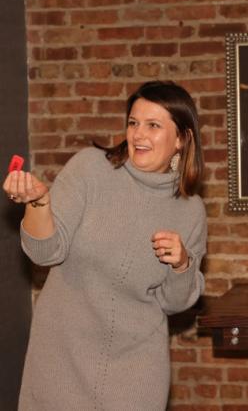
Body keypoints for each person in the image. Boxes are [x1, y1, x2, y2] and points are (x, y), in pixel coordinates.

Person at [3, 80, 207, 410]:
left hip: (137, 369)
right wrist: (38, 203)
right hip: (62, 359)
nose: (139, 134)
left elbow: (175, 302)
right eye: (133, 123)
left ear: (182, 139)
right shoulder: (90, 168)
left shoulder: (190, 209)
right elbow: (45, 251)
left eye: (153, 125)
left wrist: (182, 264)